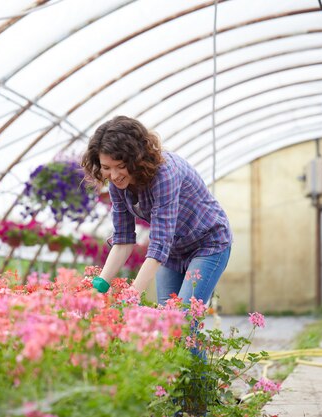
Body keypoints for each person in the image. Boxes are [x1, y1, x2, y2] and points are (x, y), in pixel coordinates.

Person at [81, 115, 232, 306]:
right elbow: (123, 240)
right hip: (173, 251)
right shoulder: (116, 185)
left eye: (121, 166)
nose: (114, 175)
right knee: (165, 321)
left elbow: (160, 243)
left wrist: (132, 294)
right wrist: (98, 288)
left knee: (181, 319)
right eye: (106, 168)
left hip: (208, 244)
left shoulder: (164, 174)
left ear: (136, 158)